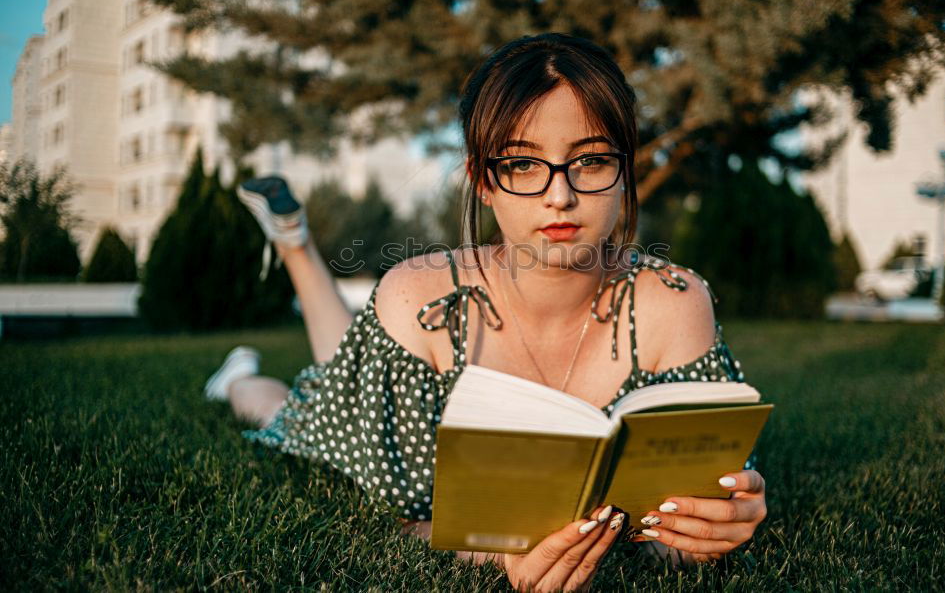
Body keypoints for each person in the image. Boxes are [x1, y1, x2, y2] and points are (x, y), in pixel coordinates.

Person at [203, 33, 767, 592]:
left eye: (591, 161)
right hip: (382, 363)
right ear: (482, 180)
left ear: (626, 171)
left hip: (400, 354)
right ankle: (247, 355)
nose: (560, 196)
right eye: (523, 165)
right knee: (290, 407)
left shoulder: (676, 299)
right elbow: (394, 521)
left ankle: (292, 243)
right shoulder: (416, 297)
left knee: (334, 359)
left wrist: (715, 524)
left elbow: (697, 501)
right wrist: (500, 560)